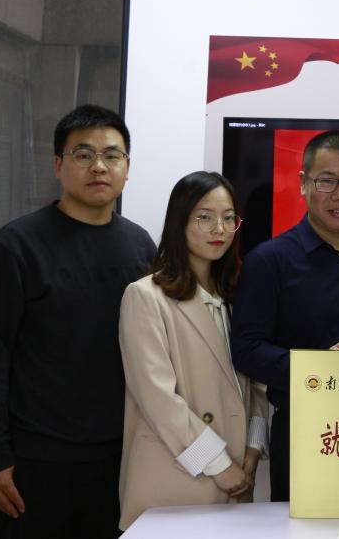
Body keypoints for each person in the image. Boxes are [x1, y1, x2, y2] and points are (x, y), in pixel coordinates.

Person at [0, 104, 156, 538]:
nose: (99, 166)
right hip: (36, 461)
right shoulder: (16, 247)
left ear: (127, 167)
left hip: (121, 456)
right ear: (57, 165)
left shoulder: (140, 246)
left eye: (112, 155)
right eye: (83, 154)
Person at [231, 130, 339, 501]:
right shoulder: (268, 261)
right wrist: (317, 368)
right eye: (327, 181)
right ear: (303, 183)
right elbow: (246, 348)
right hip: (305, 428)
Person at [118, 171, 269, 529]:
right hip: (177, 477)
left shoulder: (236, 296)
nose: (219, 229)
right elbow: (158, 400)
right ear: (179, 222)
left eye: (229, 218)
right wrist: (219, 465)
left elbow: (256, 385)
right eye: (204, 217)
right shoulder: (145, 296)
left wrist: (253, 448)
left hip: (237, 475)